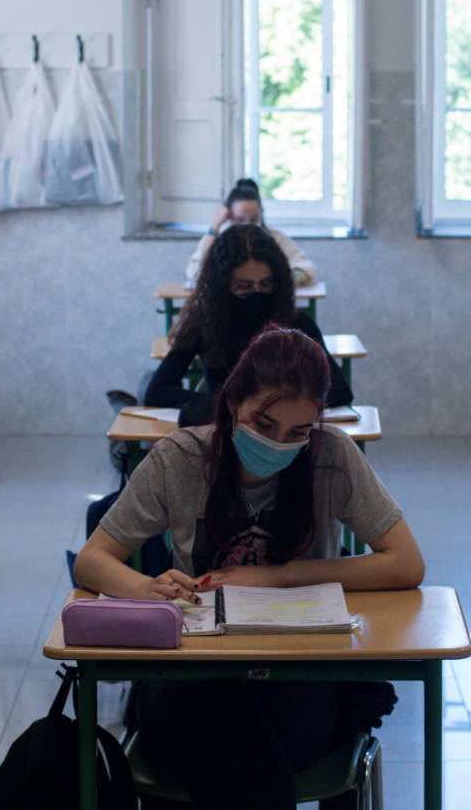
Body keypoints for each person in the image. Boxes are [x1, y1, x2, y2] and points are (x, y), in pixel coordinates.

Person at [74, 326, 424, 810]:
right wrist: (145, 586)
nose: (279, 443)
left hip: (295, 676)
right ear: (232, 401)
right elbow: (93, 559)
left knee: (236, 735)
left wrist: (279, 575)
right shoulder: (180, 458)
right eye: (263, 424)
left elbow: (406, 563)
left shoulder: (331, 458)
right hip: (190, 677)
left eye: (298, 432)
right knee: (230, 718)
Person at [149, 223, 351, 418]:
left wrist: (278, 405)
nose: (256, 294)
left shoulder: (296, 321)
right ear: (223, 284)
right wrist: (229, 405)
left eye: (265, 284)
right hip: (227, 432)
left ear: (278, 280)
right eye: (243, 286)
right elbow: (158, 391)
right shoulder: (205, 322)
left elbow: (341, 390)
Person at [185, 178, 317, 288]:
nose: (247, 226)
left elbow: (307, 267)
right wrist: (215, 225)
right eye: (239, 220)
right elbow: (195, 272)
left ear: (261, 214)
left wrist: (294, 277)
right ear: (228, 216)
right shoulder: (218, 238)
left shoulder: (275, 238)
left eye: (253, 220)